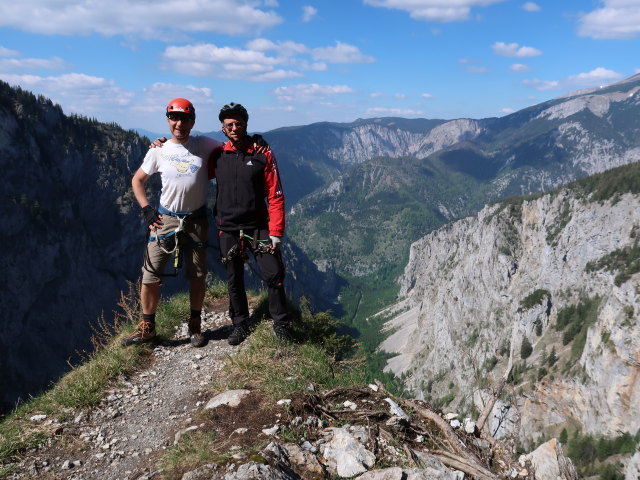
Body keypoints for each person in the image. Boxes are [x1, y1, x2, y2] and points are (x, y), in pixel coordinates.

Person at [122, 98, 221, 348]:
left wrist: (256, 146)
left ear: (193, 121)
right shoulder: (158, 150)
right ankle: (147, 327)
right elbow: (137, 180)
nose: (179, 123)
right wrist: (146, 208)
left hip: (196, 219)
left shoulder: (203, 144)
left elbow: (230, 148)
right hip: (164, 219)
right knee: (150, 275)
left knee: (198, 275)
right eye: (174, 118)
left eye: (185, 119)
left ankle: (195, 325)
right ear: (168, 120)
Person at [212, 102, 292, 345]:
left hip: (258, 225)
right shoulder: (217, 156)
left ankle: (281, 323)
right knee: (234, 277)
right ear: (223, 128)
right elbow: (188, 168)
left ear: (246, 124)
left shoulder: (262, 153)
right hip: (228, 226)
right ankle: (240, 323)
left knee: (274, 273)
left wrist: (276, 231)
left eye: (239, 123)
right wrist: (161, 146)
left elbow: (275, 194)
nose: (234, 128)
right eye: (229, 124)